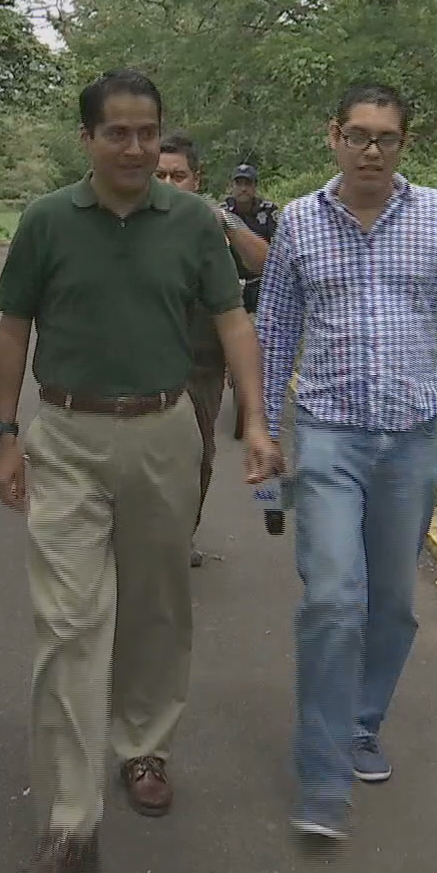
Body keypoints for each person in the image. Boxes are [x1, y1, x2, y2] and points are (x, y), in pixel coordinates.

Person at [0, 69, 282, 873]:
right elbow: (12, 331)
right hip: (68, 436)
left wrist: (255, 423)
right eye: (116, 132)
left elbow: (232, 321)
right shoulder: (48, 221)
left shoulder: (193, 220)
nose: (134, 147)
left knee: (156, 604)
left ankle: (145, 744)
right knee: (69, 620)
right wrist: (7, 434)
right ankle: (70, 820)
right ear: (87, 139)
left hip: (163, 432)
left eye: (147, 132)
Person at [257, 83, 437, 842]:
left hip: (412, 440)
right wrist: (261, 425)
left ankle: (361, 723)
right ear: (333, 136)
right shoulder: (302, 223)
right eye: (358, 135)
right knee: (334, 596)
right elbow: (274, 330)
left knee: (393, 604)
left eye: (387, 138)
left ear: (405, 143)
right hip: (330, 435)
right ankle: (321, 774)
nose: (371, 150)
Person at [154, 135, 271, 568]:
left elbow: (266, 262)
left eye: (178, 175)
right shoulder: (130, 220)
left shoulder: (215, 221)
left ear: (195, 179)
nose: (168, 183)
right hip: (143, 359)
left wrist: (225, 221)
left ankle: (184, 532)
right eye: (159, 175)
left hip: (202, 360)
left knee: (198, 453)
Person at [224, 163, 280, 440]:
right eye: (239, 182)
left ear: (255, 186)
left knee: (264, 334)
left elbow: (280, 247)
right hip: (228, 281)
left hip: (262, 282)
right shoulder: (223, 213)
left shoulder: (268, 212)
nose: (243, 188)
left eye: (248, 183)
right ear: (232, 185)